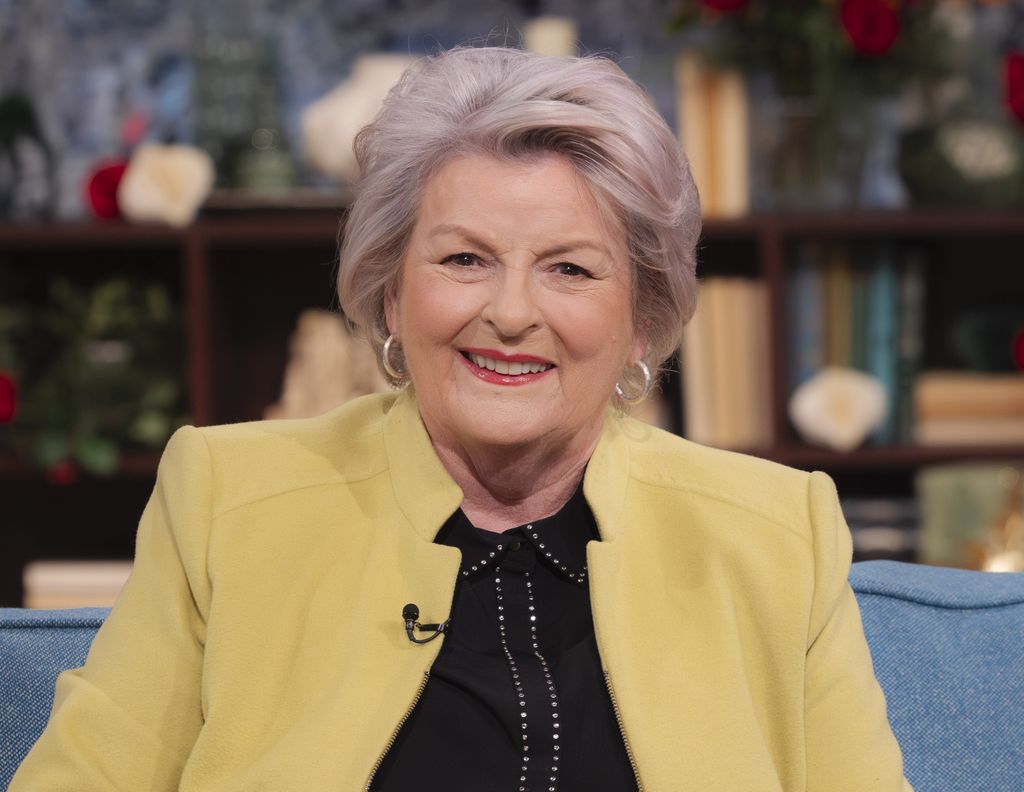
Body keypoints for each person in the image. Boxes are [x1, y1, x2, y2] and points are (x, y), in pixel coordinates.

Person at [11, 46, 911, 791]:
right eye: (465, 258)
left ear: (642, 317)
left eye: (570, 269)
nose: (512, 313)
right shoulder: (227, 499)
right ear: (392, 295)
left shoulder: (775, 535)